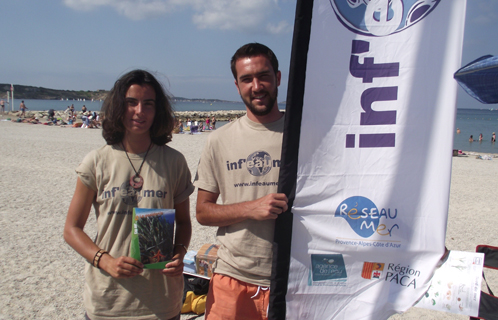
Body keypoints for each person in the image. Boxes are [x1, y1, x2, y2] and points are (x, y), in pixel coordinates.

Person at [63, 70, 194, 320]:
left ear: (158, 111)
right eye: (131, 102)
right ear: (118, 106)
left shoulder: (174, 161)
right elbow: (71, 229)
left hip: (161, 302)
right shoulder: (97, 161)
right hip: (108, 301)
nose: (139, 111)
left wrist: (179, 252)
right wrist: (105, 261)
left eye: (148, 104)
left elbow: (184, 222)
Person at [194, 43, 288, 320]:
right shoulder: (219, 140)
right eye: (247, 79)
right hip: (233, 276)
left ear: (278, 78)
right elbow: (203, 212)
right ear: (237, 85)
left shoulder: (305, 133)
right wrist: (251, 208)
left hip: (291, 277)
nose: (256, 86)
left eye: (264, 76)